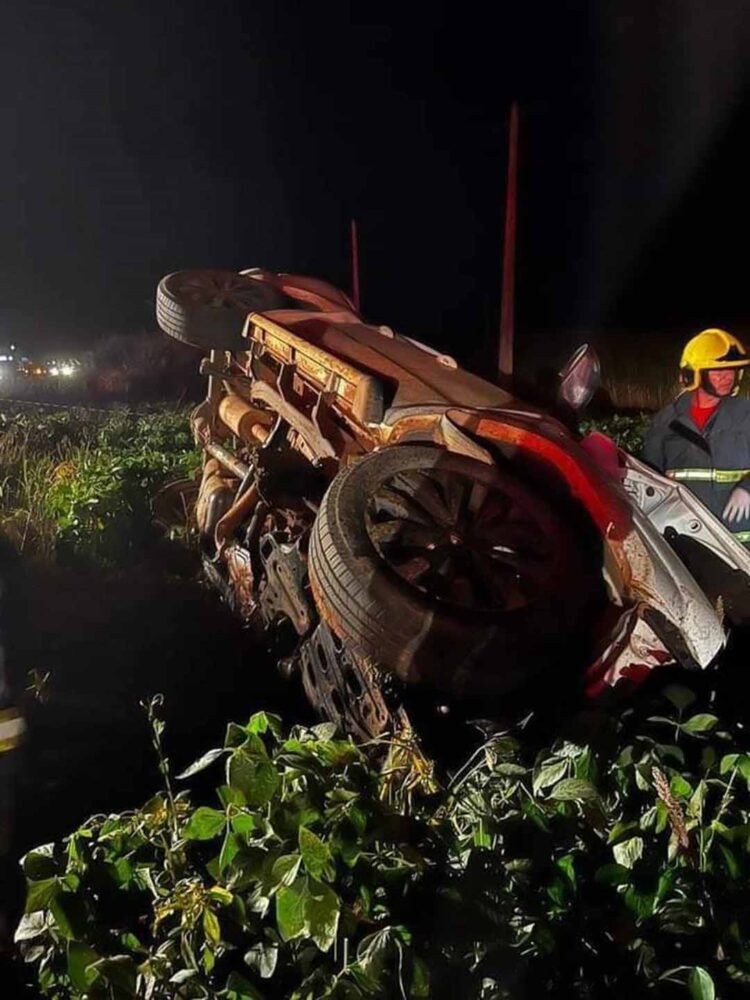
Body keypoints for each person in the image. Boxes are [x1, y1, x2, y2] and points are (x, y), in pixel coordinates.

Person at [643, 328, 750, 543]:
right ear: (695, 374)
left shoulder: (746, 414)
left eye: (732, 370)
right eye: (717, 371)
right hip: (689, 542)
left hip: (741, 545)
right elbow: (649, 482)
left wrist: (747, 488)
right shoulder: (665, 423)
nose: (727, 377)